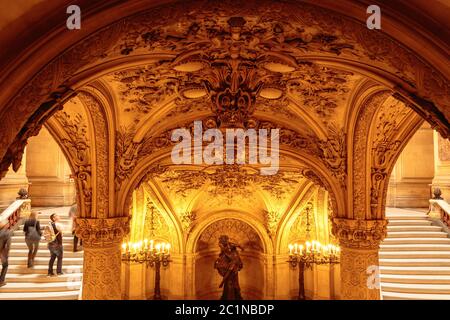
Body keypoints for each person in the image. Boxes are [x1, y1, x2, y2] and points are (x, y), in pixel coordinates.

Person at [214, 235, 244, 300]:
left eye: (223, 240)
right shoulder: (223, 246)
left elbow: (237, 246)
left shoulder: (234, 253)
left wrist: (241, 248)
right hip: (230, 265)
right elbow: (224, 251)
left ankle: (233, 296)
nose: (221, 242)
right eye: (222, 240)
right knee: (229, 285)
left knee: (232, 285)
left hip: (232, 270)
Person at [0, 219, 12, 287]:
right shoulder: (7, 232)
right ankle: (1, 281)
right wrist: (6, 253)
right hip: (3, 252)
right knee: (5, 266)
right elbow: (7, 244)